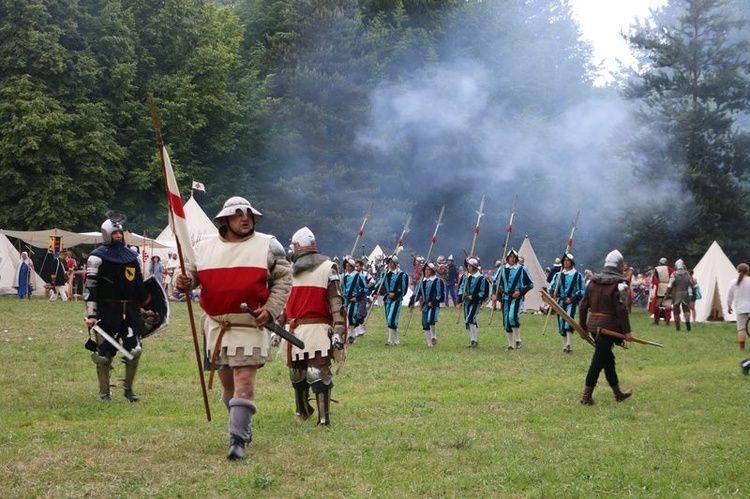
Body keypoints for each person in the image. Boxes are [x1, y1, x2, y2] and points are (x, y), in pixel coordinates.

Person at [175, 196, 291, 460]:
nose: (245, 218)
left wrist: (271, 309)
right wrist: (182, 280)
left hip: (250, 324)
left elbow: (284, 280)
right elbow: (190, 276)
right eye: (238, 214)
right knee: (228, 387)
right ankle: (241, 426)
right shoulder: (203, 247)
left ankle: (236, 441)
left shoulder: (269, 245)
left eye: (248, 214)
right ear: (225, 219)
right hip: (217, 327)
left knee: (244, 382)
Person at [278, 227, 345, 426]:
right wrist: (279, 324)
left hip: (318, 329)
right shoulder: (289, 272)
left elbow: (335, 301)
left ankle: (324, 419)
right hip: (295, 329)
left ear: (298, 247)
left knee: (318, 373)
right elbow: (285, 302)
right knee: (296, 372)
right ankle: (303, 410)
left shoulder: (328, 268)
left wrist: (339, 329)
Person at [84, 213, 152, 402]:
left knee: (135, 350)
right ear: (107, 234)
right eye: (115, 233)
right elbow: (90, 289)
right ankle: (104, 393)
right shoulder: (96, 259)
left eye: (120, 233)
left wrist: (147, 306)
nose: (118, 236)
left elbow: (140, 286)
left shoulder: (133, 257)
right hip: (106, 311)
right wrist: (91, 314)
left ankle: (128, 389)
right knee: (104, 355)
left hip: (129, 312)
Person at [578, 250, 633, 405]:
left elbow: (582, 307)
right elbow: (621, 310)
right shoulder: (620, 285)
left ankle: (618, 394)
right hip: (608, 328)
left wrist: (583, 327)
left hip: (594, 327)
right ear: (619, 266)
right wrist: (627, 331)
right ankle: (586, 396)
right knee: (598, 361)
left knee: (608, 360)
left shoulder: (592, 282)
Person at [492, 249, 533, 350]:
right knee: (506, 321)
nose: (512, 259)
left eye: (514, 257)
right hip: (505, 297)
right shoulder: (502, 269)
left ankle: (518, 340)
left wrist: (520, 292)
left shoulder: (522, 269)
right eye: (510, 257)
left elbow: (530, 284)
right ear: (507, 258)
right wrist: (494, 294)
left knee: (512, 317)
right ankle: (510, 344)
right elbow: (495, 282)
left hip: (516, 297)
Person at [548, 253, 585, 353]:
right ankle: (564, 346)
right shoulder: (558, 275)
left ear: (572, 262)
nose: (565, 262)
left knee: (568, 322)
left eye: (568, 260)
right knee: (561, 323)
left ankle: (569, 344)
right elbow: (551, 287)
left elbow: (582, 290)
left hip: (571, 302)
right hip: (560, 302)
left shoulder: (578, 276)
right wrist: (552, 293)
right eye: (564, 260)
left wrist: (573, 299)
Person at [374, 255, 409, 346]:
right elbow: (380, 283)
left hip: (396, 299)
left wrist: (395, 293)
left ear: (396, 264)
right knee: (390, 320)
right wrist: (375, 292)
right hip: (387, 299)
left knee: (391, 318)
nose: (390, 264)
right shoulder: (385, 273)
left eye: (392, 262)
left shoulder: (401, 275)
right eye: (389, 262)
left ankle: (390, 340)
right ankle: (396, 340)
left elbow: (403, 288)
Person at [411, 262, 445, 348]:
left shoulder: (438, 281)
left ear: (432, 271)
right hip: (425, 305)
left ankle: (433, 336)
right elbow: (417, 293)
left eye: (428, 269)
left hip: (434, 305)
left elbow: (440, 295)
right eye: (425, 269)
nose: (426, 271)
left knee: (431, 319)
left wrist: (433, 302)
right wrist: (412, 302)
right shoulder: (422, 281)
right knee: (425, 323)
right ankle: (429, 343)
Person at [459, 257, 490, 348]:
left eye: (470, 266)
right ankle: (472, 339)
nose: (468, 267)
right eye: (467, 265)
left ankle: (475, 340)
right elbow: (461, 287)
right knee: (469, 321)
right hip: (466, 301)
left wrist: (474, 296)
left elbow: (484, 292)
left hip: (476, 302)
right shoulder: (465, 277)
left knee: (470, 318)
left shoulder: (481, 279)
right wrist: (462, 295)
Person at [342, 256, 368, 345]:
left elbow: (364, 289)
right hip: (346, 300)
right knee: (346, 317)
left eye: (348, 266)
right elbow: (343, 288)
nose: (346, 268)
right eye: (346, 266)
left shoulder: (359, 276)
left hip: (354, 300)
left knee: (350, 316)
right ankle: (348, 335)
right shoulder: (345, 277)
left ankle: (352, 335)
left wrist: (357, 297)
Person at [665, 259, 694, 331]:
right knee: (686, 310)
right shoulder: (687, 274)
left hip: (676, 293)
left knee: (676, 311)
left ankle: (677, 328)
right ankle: (687, 322)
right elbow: (692, 284)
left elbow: (669, 285)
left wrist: (667, 294)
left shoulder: (674, 274)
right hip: (685, 293)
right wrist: (693, 293)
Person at [727, 263, 750, 351]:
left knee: (741, 329)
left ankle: (742, 349)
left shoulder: (733, 282)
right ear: (747, 271)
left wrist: (729, 306)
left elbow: (729, 296)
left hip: (740, 308)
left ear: (738, 270)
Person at [649, 257, 674, 325]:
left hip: (659, 289)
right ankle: (667, 321)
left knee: (656, 306)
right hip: (668, 289)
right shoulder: (671, 270)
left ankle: (656, 321)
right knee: (668, 306)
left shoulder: (656, 269)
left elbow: (654, 280)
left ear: (660, 263)